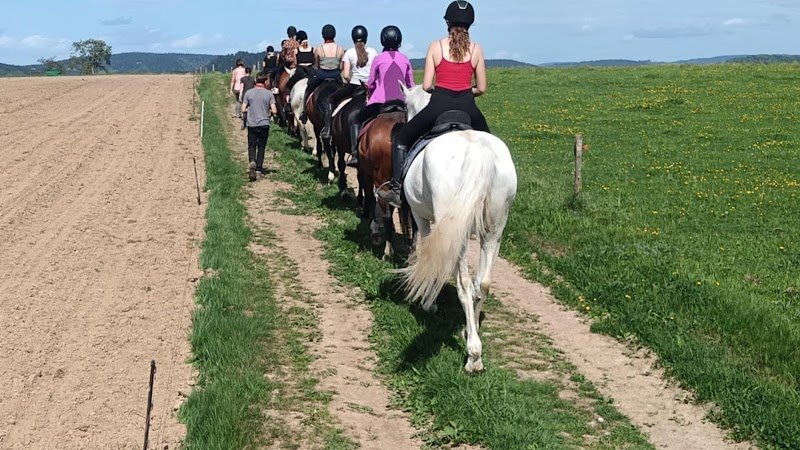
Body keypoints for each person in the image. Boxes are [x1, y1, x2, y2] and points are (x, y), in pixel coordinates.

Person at [378, 0, 489, 207]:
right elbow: (482, 88)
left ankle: (396, 189)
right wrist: (466, 91)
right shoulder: (476, 49)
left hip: (438, 105)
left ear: (448, 21)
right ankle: (490, 195)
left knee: (402, 138)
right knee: (490, 145)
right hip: (468, 107)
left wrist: (443, 90)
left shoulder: (435, 46)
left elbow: (427, 85)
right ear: (470, 24)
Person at [350, 25, 415, 166]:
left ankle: (355, 154)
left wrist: (371, 93)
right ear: (399, 41)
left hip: (380, 102)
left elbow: (371, 82)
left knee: (356, 120)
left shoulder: (378, 59)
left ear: (382, 40)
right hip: (401, 102)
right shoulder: (405, 59)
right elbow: (411, 86)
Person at [323, 25, 377, 142]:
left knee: (330, 100)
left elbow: (346, 74)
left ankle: (327, 129)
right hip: (371, 87)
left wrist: (350, 81)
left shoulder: (349, 52)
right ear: (366, 38)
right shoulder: (373, 52)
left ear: (353, 38)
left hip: (354, 86)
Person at [299, 24, 344, 127]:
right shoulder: (340, 49)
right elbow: (341, 66)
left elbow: (317, 64)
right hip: (336, 75)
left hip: (322, 74)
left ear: (323, 35)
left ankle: (304, 112)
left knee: (308, 88)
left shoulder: (319, 49)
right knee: (345, 90)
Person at [242, 74, 278, 181]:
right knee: (261, 147)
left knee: (251, 145)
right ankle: (258, 169)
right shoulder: (269, 94)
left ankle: (252, 160)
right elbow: (275, 110)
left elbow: (243, 109)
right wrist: (269, 111)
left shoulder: (248, 93)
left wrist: (251, 109)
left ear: (255, 81)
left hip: (252, 124)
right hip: (264, 123)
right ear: (265, 82)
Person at [284, 30, 316, 94]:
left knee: (288, 86)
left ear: (298, 40)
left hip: (300, 72)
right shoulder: (313, 49)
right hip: (311, 72)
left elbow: (295, 63)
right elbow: (314, 62)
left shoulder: (297, 50)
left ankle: (288, 100)